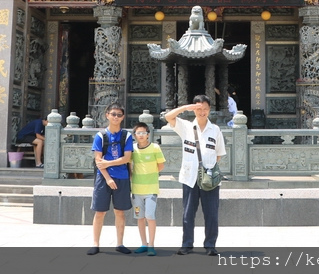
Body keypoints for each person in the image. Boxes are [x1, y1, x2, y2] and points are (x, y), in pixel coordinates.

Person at [165, 95, 226, 256]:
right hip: (190, 178)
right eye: (199, 109)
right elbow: (168, 116)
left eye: (205, 109)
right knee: (188, 214)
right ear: (194, 110)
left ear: (210, 110)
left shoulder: (215, 130)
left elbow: (219, 154)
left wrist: (207, 169)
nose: (202, 112)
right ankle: (187, 244)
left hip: (209, 180)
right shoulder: (185, 126)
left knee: (211, 214)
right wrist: (185, 107)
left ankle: (210, 245)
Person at [88, 104, 133, 256]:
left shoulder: (126, 136)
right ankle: (95, 243)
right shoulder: (100, 136)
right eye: (113, 114)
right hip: (103, 178)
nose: (116, 117)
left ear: (123, 117)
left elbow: (127, 158)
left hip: (122, 177)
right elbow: (98, 161)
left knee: (120, 212)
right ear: (107, 115)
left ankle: (120, 243)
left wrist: (109, 163)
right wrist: (107, 177)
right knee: (99, 212)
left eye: (119, 115)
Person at [130, 122, 165, 256]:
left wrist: (150, 174)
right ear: (134, 135)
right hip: (136, 190)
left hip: (151, 189)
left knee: (150, 216)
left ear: (148, 135)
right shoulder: (132, 149)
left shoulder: (155, 148)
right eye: (138, 133)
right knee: (139, 217)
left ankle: (151, 244)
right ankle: (143, 243)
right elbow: (129, 165)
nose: (141, 135)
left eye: (143, 133)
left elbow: (160, 166)